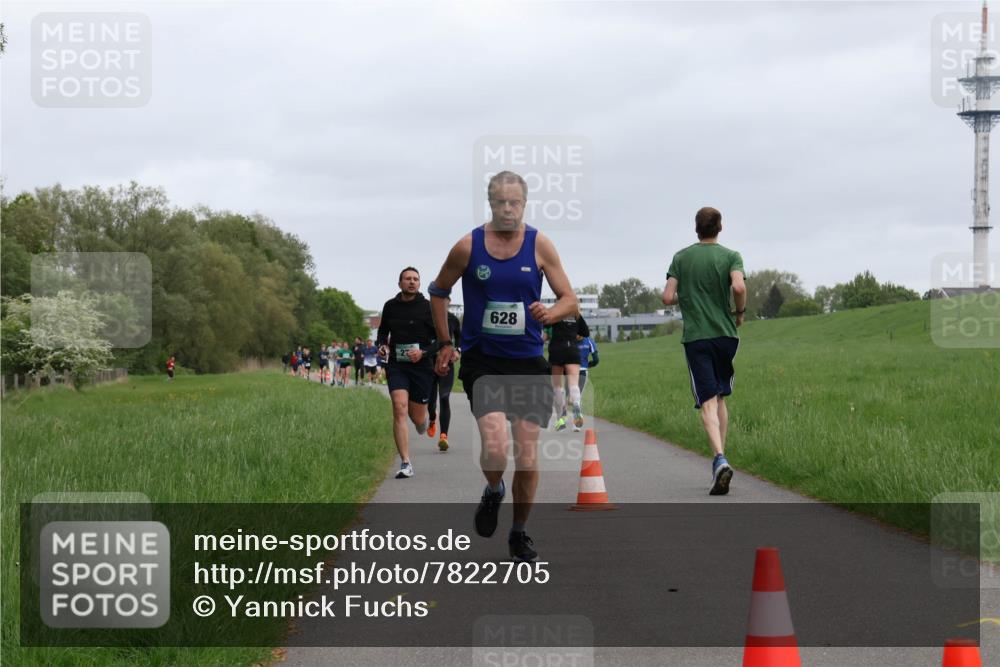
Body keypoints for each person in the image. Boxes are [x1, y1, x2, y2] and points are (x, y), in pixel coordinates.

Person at [430, 170, 577, 562]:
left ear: (524, 204)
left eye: (515, 203)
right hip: (484, 362)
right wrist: (446, 341)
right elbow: (438, 291)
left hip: (528, 363)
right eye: (500, 203)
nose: (508, 209)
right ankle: (494, 491)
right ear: (490, 203)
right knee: (495, 449)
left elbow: (570, 299)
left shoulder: (540, 244)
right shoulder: (467, 246)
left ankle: (518, 532)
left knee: (527, 458)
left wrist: (549, 313)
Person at [662, 206, 746, 496]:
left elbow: (667, 296)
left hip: (698, 337)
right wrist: (740, 312)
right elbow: (737, 286)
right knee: (721, 396)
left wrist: (687, 295)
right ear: (719, 228)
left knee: (708, 402)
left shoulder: (682, 258)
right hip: (726, 335)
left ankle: (720, 459)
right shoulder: (731, 256)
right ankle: (719, 460)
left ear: (696, 229)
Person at [377, 267, 437, 478]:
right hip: (397, 365)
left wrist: (423, 352)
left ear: (419, 283)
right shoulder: (390, 306)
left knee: (417, 418)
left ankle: (426, 420)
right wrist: (383, 345)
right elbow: (383, 333)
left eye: (415, 279)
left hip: (421, 367)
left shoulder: (428, 308)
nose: (412, 282)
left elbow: (441, 341)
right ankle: (405, 462)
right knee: (399, 407)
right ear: (400, 283)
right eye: (408, 279)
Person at [427, 298, 461, 451]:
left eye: (444, 300)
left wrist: (458, 351)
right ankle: (432, 418)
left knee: (445, 397)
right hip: (428, 363)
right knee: (430, 400)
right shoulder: (427, 318)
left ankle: (443, 436)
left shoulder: (453, 319)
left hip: (446, 363)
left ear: (449, 301)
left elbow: (461, 340)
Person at [545, 314, 589, 432]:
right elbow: (586, 332)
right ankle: (576, 412)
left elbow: (546, 325)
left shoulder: (556, 312)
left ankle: (560, 420)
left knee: (557, 386)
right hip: (572, 349)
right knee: (574, 384)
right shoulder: (576, 315)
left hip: (557, 349)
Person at [575, 333, 599, 426]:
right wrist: (589, 364)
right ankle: (576, 420)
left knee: (574, 395)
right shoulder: (589, 341)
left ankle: (576, 418)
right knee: (577, 395)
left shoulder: (570, 340)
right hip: (583, 371)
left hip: (571, 371)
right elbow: (596, 359)